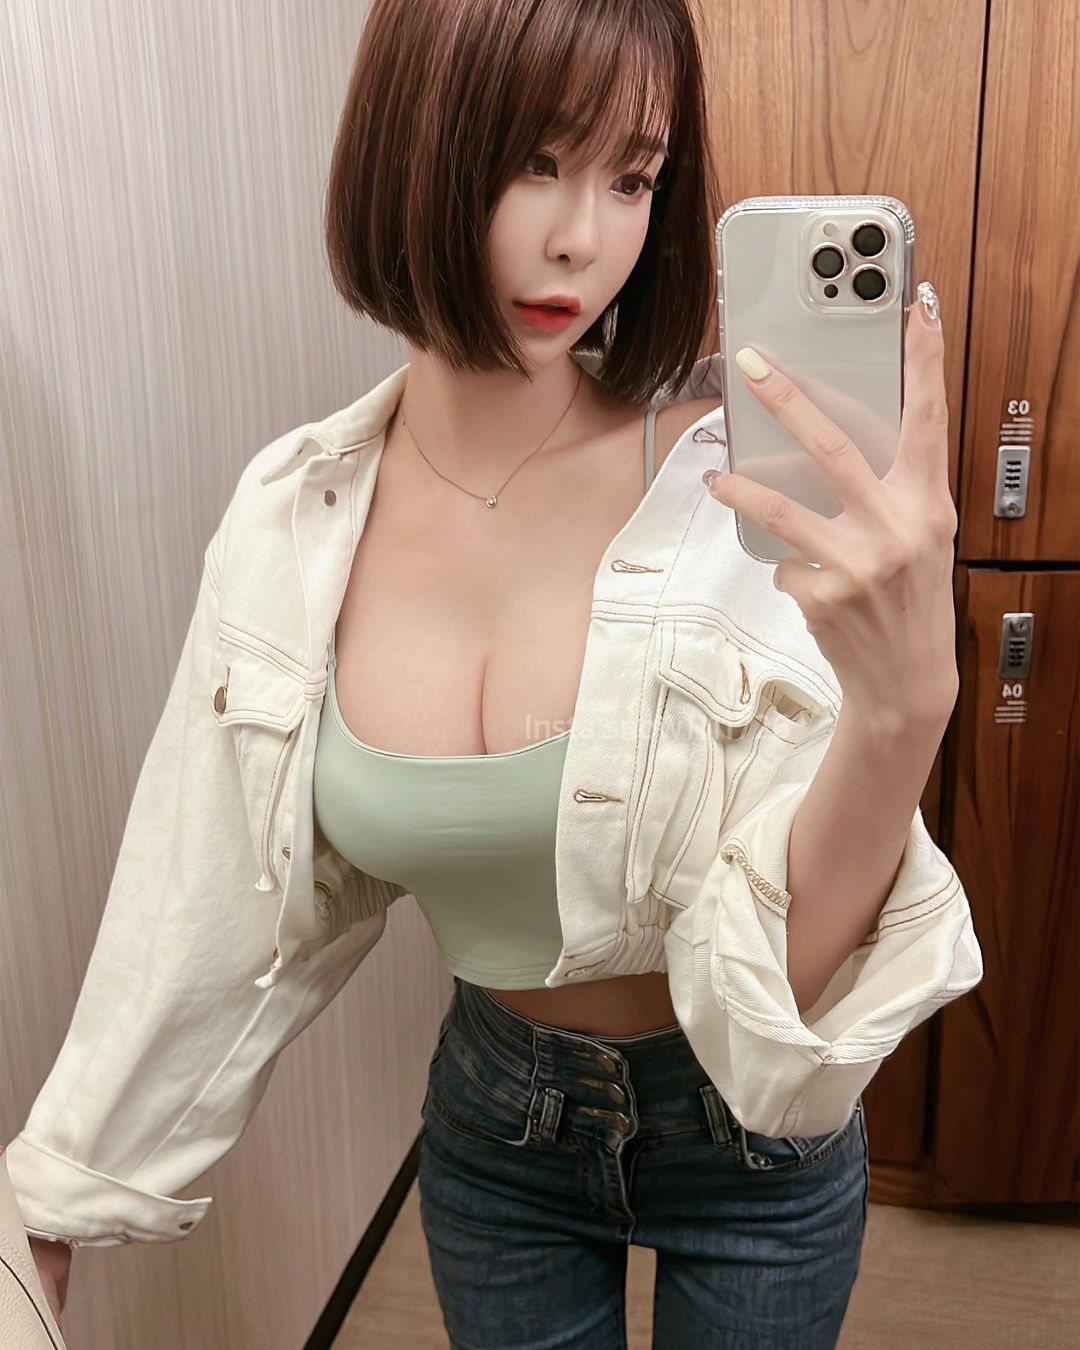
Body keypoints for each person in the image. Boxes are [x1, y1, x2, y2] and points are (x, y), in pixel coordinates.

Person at [18, 1, 983, 1345]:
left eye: (633, 177)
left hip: (752, 1142)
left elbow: (792, 992)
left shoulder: (731, 497)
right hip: (497, 1130)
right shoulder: (296, 516)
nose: (584, 237)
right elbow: (200, 887)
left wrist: (904, 709)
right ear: (413, 143)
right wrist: (55, 1199)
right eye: (536, 159)